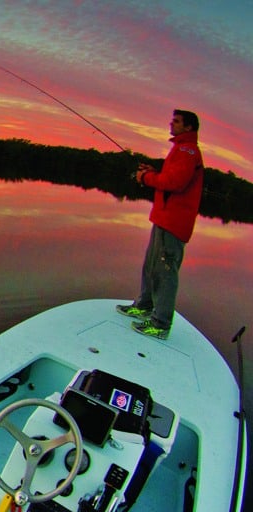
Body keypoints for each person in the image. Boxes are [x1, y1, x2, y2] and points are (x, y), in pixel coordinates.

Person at [116, 109, 203, 339]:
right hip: (164, 218)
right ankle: (144, 305)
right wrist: (154, 172)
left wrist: (146, 178)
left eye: (176, 121)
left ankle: (161, 324)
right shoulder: (181, 148)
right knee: (151, 265)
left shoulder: (187, 150)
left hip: (174, 223)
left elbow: (175, 183)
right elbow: (172, 175)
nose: (170, 124)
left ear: (188, 127)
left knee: (165, 271)